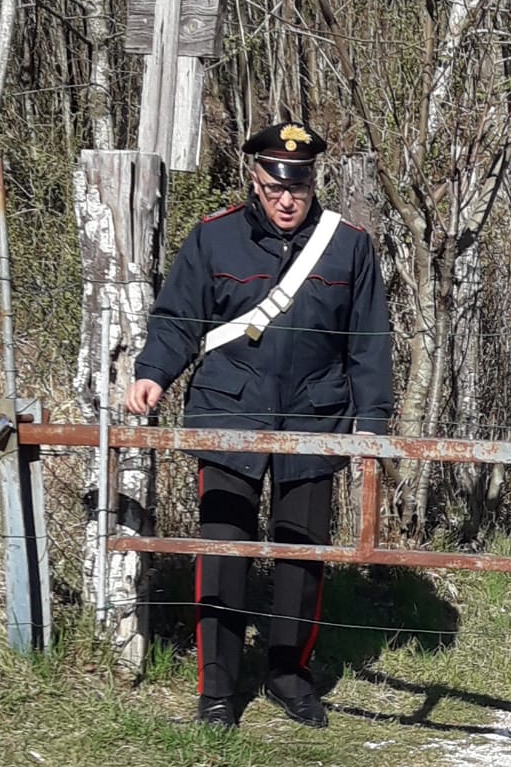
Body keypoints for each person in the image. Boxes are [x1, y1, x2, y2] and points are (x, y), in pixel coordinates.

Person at [125, 122, 393, 730]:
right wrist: (153, 373)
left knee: (303, 554)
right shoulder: (213, 238)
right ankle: (218, 690)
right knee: (222, 551)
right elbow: (177, 319)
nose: (287, 199)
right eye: (276, 185)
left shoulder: (348, 246)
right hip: (228, 412)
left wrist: (371, 422)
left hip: (315, 416)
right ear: (254, 177)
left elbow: (369, 343)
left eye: (298, 186)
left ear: (311, 182)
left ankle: (288, 675)